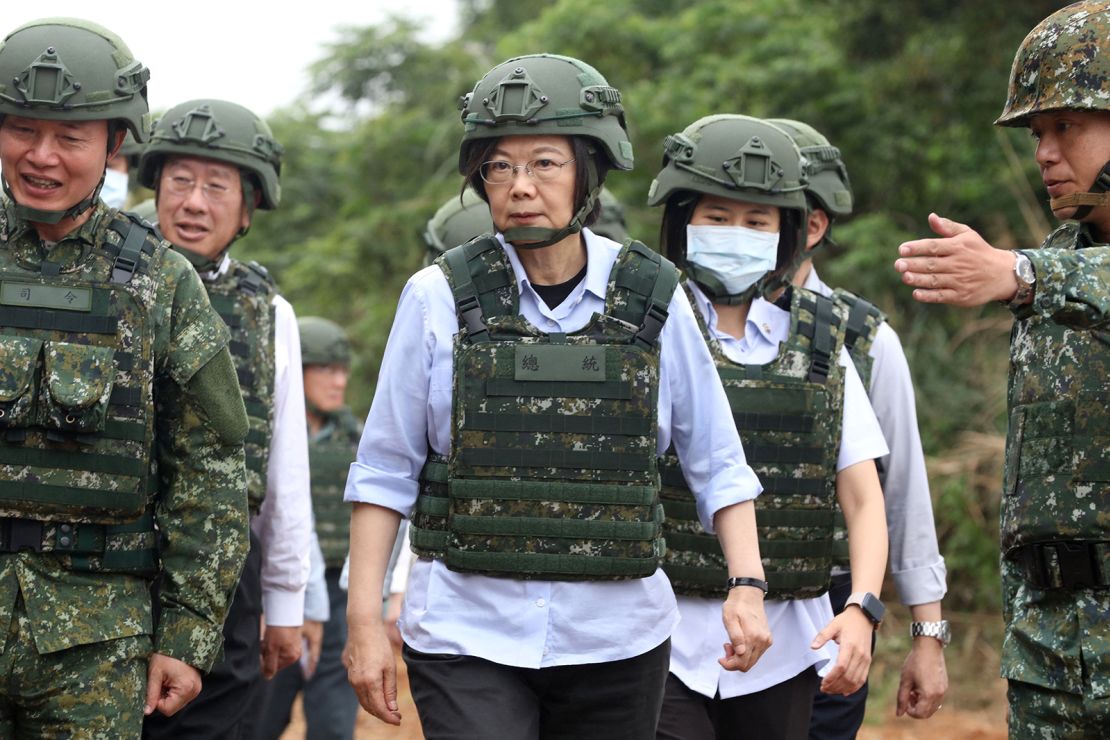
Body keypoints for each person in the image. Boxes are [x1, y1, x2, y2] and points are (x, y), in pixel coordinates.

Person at [344, 54, 772, 739]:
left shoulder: (655, 298)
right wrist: (363, 622)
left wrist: (747, 586)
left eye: (545, 163)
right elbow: (385, 469)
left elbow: (718, 461)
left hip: (618, 640)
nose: (519, 186)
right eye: (499, 167)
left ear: (588, 174)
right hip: (464, 630)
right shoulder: (437, 297)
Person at [0, 17, 249, 736]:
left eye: (70, 138)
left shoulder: (160, 282)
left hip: (97, 640)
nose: (42, 156)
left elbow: (210, 467)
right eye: (22, 130)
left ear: (114, 146)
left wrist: (189, 632)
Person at [894, 2, 1110, 735]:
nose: (1044, 152)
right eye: (1036, 132)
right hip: (1053, 649)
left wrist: (1020, 272)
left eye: (1066, 126)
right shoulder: (1060, 263)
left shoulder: (1047, 276)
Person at [648, 114, 889, 740]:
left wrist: (862, 607)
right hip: (657, 638)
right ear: (682, 223)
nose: (737, 234)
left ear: (788, 234)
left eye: (757, 222)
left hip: (785, 644)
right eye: (717, 217)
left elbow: (863, 499)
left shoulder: (819, 341)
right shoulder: (645, 327)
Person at [762, 118, 950, 732]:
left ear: (812, 226)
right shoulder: (681, 323)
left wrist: (927, 636)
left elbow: (901, 494)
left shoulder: (863, 341)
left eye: (763, 210)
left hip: (827, 625)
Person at [137, 99, 313, 738]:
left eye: (217, 187)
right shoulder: (105, 276)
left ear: (247, 209)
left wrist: (287, 600)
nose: (193, 202)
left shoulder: (270, 315)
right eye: (179, 181)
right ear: (155, 188)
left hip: (221, 570)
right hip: (101, 557)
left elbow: (283, 471)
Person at [255, 316, 364, 740]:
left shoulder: (357, 439)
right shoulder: (265, 434)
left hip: (340, 593)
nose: (339, 382)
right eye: (326, 370)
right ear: (295, 369)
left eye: (343, 371)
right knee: (259, 718)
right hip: (277, 592)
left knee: (335, 724)